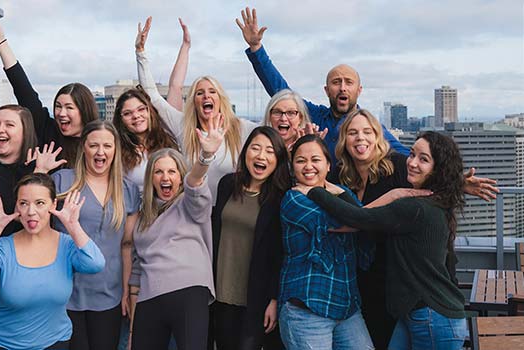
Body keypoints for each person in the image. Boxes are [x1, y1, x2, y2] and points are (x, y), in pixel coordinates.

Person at [329, 108, 498, 349]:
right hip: (373, 287)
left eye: (367, 131)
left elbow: (427, 182)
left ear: (379, 137)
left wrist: (457, 182)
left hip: (411, 289)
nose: (360, 138)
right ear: (343, 139)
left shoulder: (397, 166)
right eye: (352, 132)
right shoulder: (340, 174)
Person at [297, 131, 469, 349]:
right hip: (416, 314)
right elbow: (361, 214)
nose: (412, 163)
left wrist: (313, 192)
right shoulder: (433, 203)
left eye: (423, 159)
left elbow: (360, 218)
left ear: (438, 169)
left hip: (433, 318)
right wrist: (334, 191)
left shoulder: (415, 208)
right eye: (412, 154)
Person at [235, 7, 409, 164]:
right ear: (326, 90)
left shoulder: (369, 128)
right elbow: (281, 92)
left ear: (359, 90)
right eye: (336, 82)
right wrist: (257, 48)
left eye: (349, 82)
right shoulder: (316, 116)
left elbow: (405, 157)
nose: (342, 88)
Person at [0, 174, 105, 350]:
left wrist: (72, 224)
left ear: (53, 205)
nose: (31, 211)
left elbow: (96, 264)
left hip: (54, 342)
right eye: (23, 203)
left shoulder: (67, 245)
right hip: (2, 343)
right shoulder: (5, 246)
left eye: (40, 203)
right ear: (17, 207)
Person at [42, 120, 140, 350]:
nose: (100, 152)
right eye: (94, 145)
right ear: (83, 147)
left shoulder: (128, 190)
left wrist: (126, 290)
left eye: (107, 145)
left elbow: (127, 245)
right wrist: (40, 172)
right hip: (65, 292)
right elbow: (30, 216)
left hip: (109, 293)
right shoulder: (61, 181)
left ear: (115, 149)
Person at [136, 17, 257, 202]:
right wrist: (140, 53)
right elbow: (153, 96)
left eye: (212, 92)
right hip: (193, 214)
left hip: (227, 216)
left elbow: (272, 130)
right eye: (200, 93)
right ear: (194, 101)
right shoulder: (184, 127)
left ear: (221, 99)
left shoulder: (240, 128)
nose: (206, 96)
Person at [128, 116, 224, 350]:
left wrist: (205, 157)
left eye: (172, 171)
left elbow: (195, 182)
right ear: (151, 178)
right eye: (158, 172)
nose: (165, 177)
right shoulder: (144, 217)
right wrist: (132, 314)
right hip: (150, 297)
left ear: (180, 176)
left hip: (188, 292)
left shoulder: (191, 204)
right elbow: (138, 266)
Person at [278, 134, 373, 349]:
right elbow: (356, 221)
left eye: (316, 159)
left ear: (329, 165)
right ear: (292, 167)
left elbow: (365, 220)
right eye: (300, 161)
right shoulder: (293, 198)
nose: (308, 166)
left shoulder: (343, 193)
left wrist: (336, 190)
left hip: (347, 306)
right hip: (307, 307)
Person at [0, 18, 99, 167]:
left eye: (69, 107)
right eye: (58, 106)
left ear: (84, 110)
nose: (61, 113)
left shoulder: (99, 140)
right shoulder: (47, 130)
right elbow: (23, 90)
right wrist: (1, 44)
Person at [211, 126, 289, 349]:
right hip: (221, 293)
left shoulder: (281, 198)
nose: (261, 156)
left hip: (256, 298)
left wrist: (274, 300)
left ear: (278, 160)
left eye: (270, 151)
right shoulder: (227, 184)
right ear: (245, 152)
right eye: (255, 148)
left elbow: (280, 254)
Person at [113, 87, 180, 193]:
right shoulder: (116, 151)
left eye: (141, 109)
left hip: (168, 207)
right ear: (120, 120)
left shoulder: (169, 142)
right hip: (134, 208)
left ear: (150, 111)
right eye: (127, 113)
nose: (136, 116)